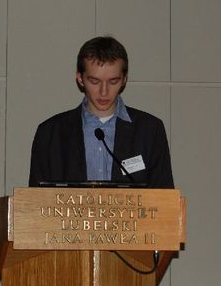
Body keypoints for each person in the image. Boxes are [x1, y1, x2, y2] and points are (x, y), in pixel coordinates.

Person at [29, 36, 174, 188]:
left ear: (124, 79)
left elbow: (164, 197)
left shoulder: (150, 131)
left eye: (113, 81)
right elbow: (36, 199)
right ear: (80, 78)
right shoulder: (51, 133)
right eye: (94, 81)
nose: (104, 91)